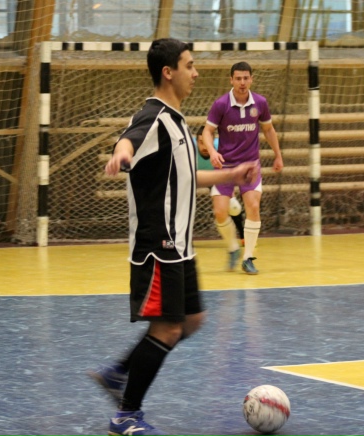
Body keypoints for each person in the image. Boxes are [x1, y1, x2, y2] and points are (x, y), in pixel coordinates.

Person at [89, 38, 257, 436]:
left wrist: (231, 175)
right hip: (158, 246)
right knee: (166, 328)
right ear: (169, 72)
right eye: (189, 65)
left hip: (181, 247)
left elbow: (187, 176)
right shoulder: (153, 116)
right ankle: (126, 416)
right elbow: (130, 138)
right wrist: (121, 153)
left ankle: (119, 373)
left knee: (192, 320)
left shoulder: (178, 122)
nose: (195, 73)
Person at [201, 62, 283, 275]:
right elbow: (207, 132)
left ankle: (248, 258)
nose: (242, 82)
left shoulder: (260, 103)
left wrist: (278, 155)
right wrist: (213, 152)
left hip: (250, 166)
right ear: (231, 80)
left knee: (253, 207)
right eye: (238, 78)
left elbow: (268, 129)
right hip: (226, 166)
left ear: (251, 79)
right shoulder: (221, 104)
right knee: (220, 212)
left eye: (246, 78)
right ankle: (233, 248)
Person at [195, 125, 245, 243]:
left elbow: (229, 169)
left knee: (233, 206)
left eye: (207, 142)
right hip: (195, 177)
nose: (204, 147)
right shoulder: (188, 147)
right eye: (201, 142)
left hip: (215, 176)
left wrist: (229, 190)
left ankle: (243, 236)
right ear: (196, 141)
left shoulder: (222, 147)